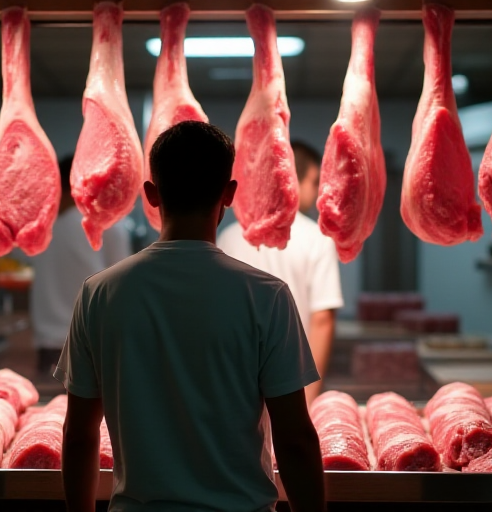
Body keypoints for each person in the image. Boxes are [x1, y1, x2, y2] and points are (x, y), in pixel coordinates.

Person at [57, 121, 325, 512]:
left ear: (151, 195)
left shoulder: (98, 294)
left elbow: (79, 434)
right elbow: (296, 438)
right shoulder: (267, 296)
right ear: (229, 194)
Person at [217, 140, 344, 402]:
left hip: (233, 384)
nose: (317, 192)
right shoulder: (317, 238)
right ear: (293, 180)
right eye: (313, 182)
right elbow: (322, 319)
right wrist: (309, 397)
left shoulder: (229, 236)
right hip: (293, 382)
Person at [27, 154, 131, 377]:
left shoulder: (43, 228)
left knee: (49, 409)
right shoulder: (107, 224)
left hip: (50, 350)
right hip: (90, 348)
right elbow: (124, 289)